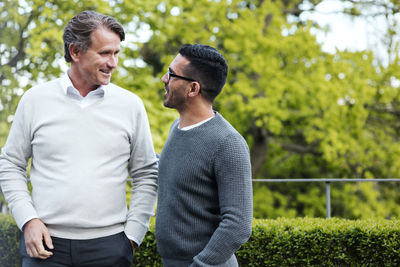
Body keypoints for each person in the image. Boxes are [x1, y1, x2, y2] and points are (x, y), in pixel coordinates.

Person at [0, 10, 158, 266]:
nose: (113, 62)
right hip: (45, 247)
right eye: (105, 53)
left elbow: (146, 173)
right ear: (75, 51)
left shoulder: (131, 105)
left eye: (116, 53)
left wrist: (132, 237)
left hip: (110, 248)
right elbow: (10, 164)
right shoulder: (34, 100)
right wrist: (28, 220)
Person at [155, 44, 253, 266]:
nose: (163, 79)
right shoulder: (175, 128)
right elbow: (178, 171)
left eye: (171, 74)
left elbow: (238, 226)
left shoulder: (228, 143)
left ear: (193, 89)